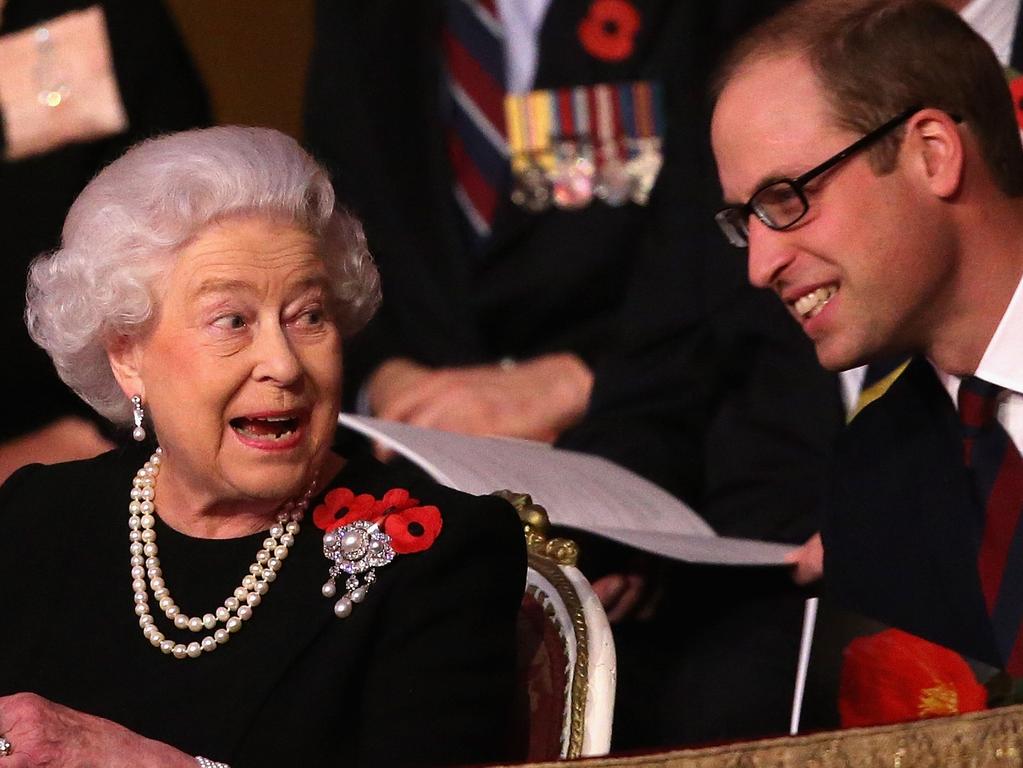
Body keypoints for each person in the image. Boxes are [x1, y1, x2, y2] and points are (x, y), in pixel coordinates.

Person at [0, 126, 525, 767]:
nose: (283, 363)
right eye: (233, 321)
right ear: (127, 355)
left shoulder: (436, 555)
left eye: (309, 316)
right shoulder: (36, 520)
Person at [710, 0, 1023, 671]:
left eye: (786, 199)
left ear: (930, 155)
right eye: (745, 222)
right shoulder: (870, 478)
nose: (759, 266)